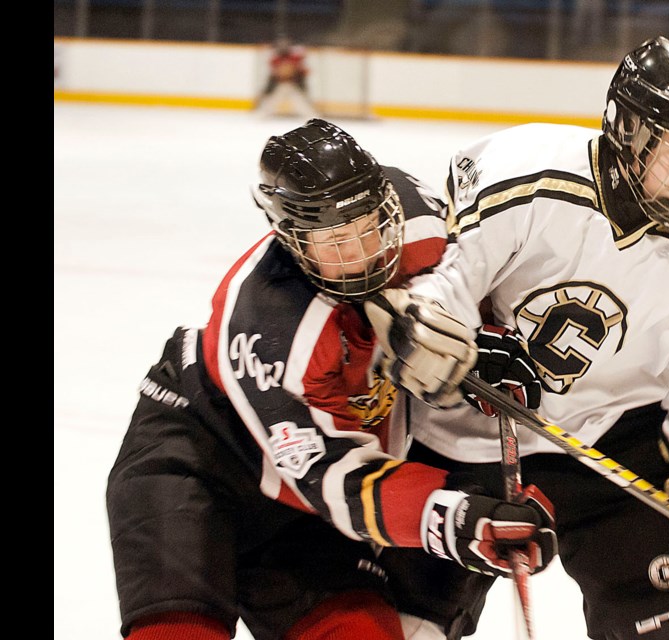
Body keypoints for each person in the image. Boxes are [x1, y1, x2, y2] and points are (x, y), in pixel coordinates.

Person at [365, 36, 669, 640]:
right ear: (627, 128)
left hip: (611, 451)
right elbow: (448, 271)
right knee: (395, 627)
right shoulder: (525, 168)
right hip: (463, 443)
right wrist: (433, 331)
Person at [105, 119, 557, 640]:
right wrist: (455, 517)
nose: (363, 251)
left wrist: (487, 340)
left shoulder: (425, 227)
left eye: (369, 225)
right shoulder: (273, 328)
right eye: (336, 241)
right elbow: (333, 480)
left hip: (308, 500)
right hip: (199, 461)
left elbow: (488, 286)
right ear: (291, 239)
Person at [255, 36, 317, 119]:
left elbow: (304, 70)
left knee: (301, 102)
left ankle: (312, 117)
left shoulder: (295, 57)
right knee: (271, 101)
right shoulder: (276, 59)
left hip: (293, 84)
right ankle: (260, 116)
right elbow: (275, 73)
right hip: (280, 84)